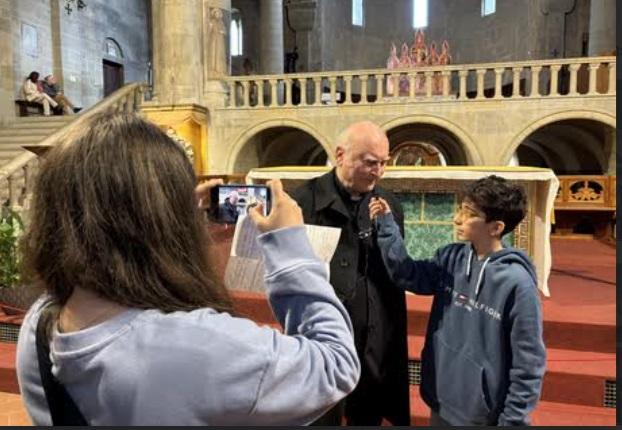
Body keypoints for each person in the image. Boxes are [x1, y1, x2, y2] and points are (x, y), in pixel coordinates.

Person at [15, 112, 360, 426]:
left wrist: (177, 213)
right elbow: (335, 365)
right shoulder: (198, 345)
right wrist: (290, 246)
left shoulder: (39, 323)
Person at [369, 175, 546, 426]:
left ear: (495, 227)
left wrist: (514, 420)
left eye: (469, 213)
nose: (457, 218)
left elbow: (529, 362)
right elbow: (408, 275)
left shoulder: (517, 284)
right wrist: (387, 226)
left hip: (481, 414)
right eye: (461, 208)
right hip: (441, 398)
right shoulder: (450, 258)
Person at [291, 121, 410, 425]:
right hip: (324, 327)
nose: (379, 171)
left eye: (384, 163)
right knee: (320, 407)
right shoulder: (301, 202)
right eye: (370, 162)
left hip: (374, 330)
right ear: (340, 155)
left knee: (367, 410)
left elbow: (395, 268)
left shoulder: (389, 205)